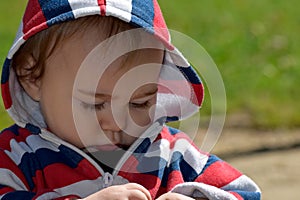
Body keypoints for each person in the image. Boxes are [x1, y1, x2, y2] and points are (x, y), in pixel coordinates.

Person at [0, 1, 261, 200]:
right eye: (95, 104)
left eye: (140, 103)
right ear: (32, 77)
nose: (118, 123)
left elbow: (245, 193)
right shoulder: (14, 156)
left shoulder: (172, 154)